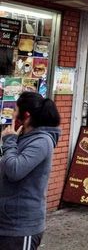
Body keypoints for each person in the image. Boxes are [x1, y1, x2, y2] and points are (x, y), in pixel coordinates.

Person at [0, 91, 61, 250]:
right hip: (6, 221)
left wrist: (9, 141)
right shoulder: (21, 136)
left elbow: (14, 170)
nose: (12, 114)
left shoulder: (42, 141)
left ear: (26, 115)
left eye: (15, 109)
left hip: (22, 227)